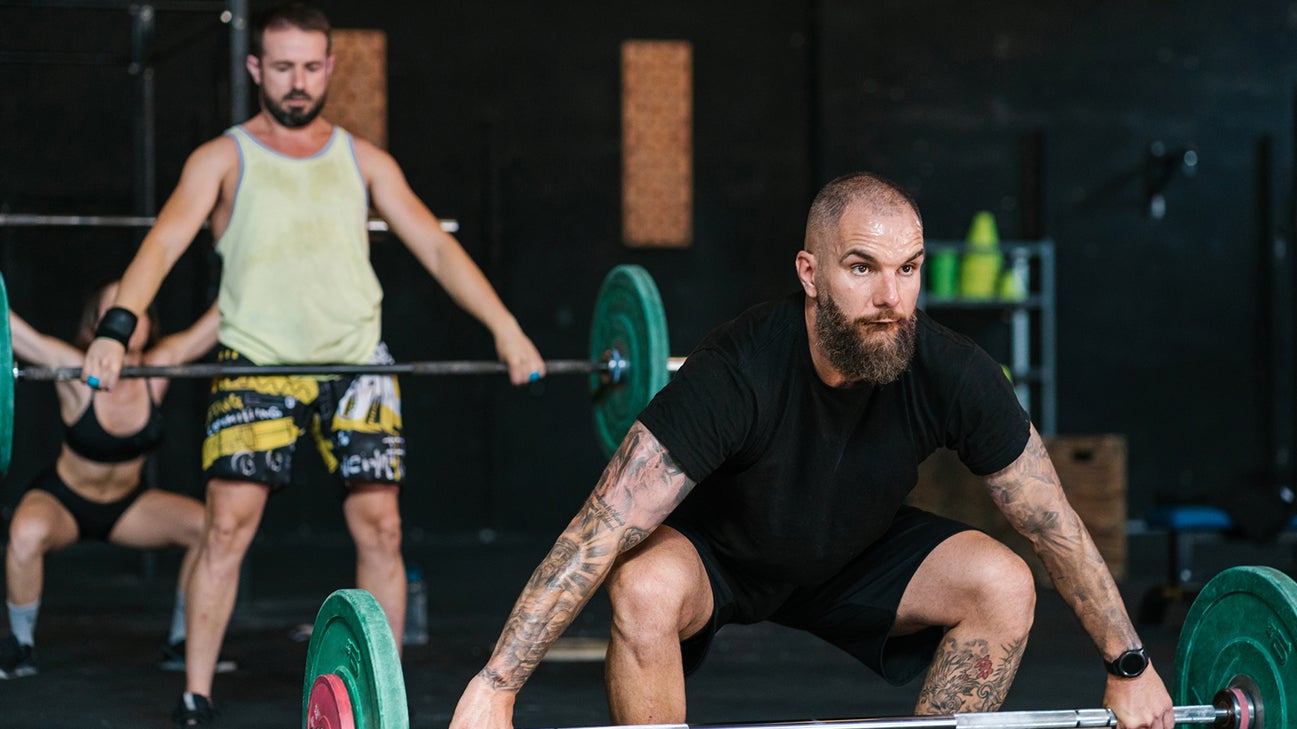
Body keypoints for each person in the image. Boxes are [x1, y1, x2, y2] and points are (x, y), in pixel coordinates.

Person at [448, 173, 1175, 729]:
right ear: (809, 273)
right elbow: (600, 525)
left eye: (908, 268)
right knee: (641, 583)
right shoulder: (737, 369)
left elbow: (1051, 521)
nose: (890, 296)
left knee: (1004, 581)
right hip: (722, 556)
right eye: (861, 268)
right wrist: (497, 684)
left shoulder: (952, 371)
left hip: (855, 552)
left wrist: (1128, 662)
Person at [78, 2, 546, 724]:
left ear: (329, 67)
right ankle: (195, 691)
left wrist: (507, 328)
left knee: (381, 529)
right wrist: (115, 329)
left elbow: (436, 247)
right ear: (256, 68)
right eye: (283, 67)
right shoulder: (221, 158)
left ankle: (380, 695)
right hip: (258, 362)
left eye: (310, 67)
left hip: (357, 361)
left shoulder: (365, 160)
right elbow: (164, 245)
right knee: (226, 528)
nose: (297, 82)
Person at [1, 282, 221, 679]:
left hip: (128, 507)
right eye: (116, 310)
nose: (127, 319)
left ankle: (181, 643)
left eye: (136, 310)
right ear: (97, 323)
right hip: (65, 500)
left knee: (211, 527)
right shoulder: (72, 368)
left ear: (148, 323)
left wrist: (259, 268)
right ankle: (21, 648)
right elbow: (15, 331)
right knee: (25, 534)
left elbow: (217, 323)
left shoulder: (158, 369)